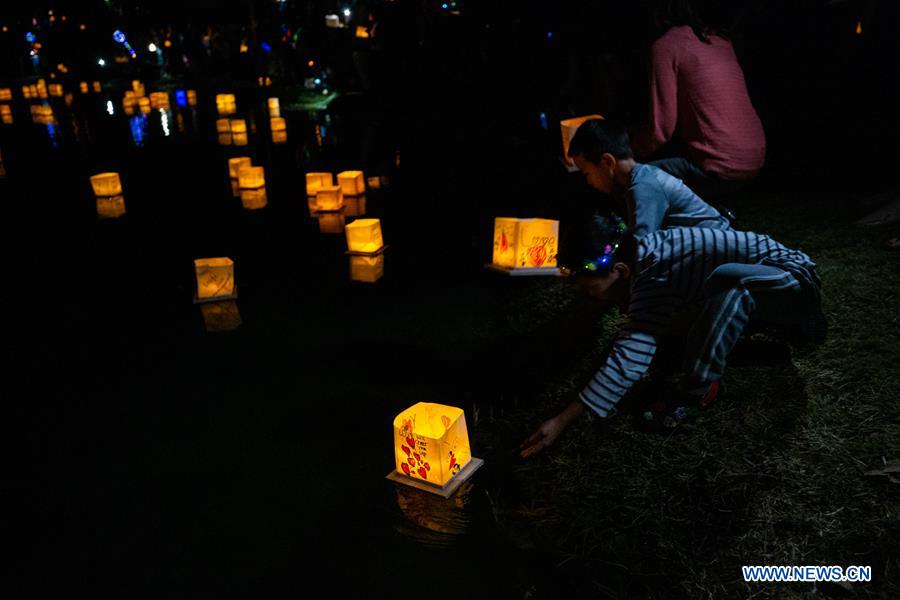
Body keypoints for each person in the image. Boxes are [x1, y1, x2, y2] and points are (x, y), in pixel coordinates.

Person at [520, 223, 826, 458]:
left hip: (793, 282)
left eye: (590, 290)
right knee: (701, 302)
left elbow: (630, 355)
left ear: (620, 270)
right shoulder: (648, 255)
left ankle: (699, 388)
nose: (591, 299)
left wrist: (562, 419)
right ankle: (777, 329)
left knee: (732, 285)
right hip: (772, 283)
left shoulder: (656, 274)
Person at [631, 0, 765, 202]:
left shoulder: (667, 45)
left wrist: (624, 149)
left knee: (634, 177)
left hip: (720, 165)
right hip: (756, 155)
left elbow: (660, 132)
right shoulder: (720, 40)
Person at [568, 119, 732, 238]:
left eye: (586, 172)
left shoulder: (643, 186)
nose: (588, 182)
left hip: (721, 245)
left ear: (607, 162)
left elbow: (641, 246)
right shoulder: (641, 177)